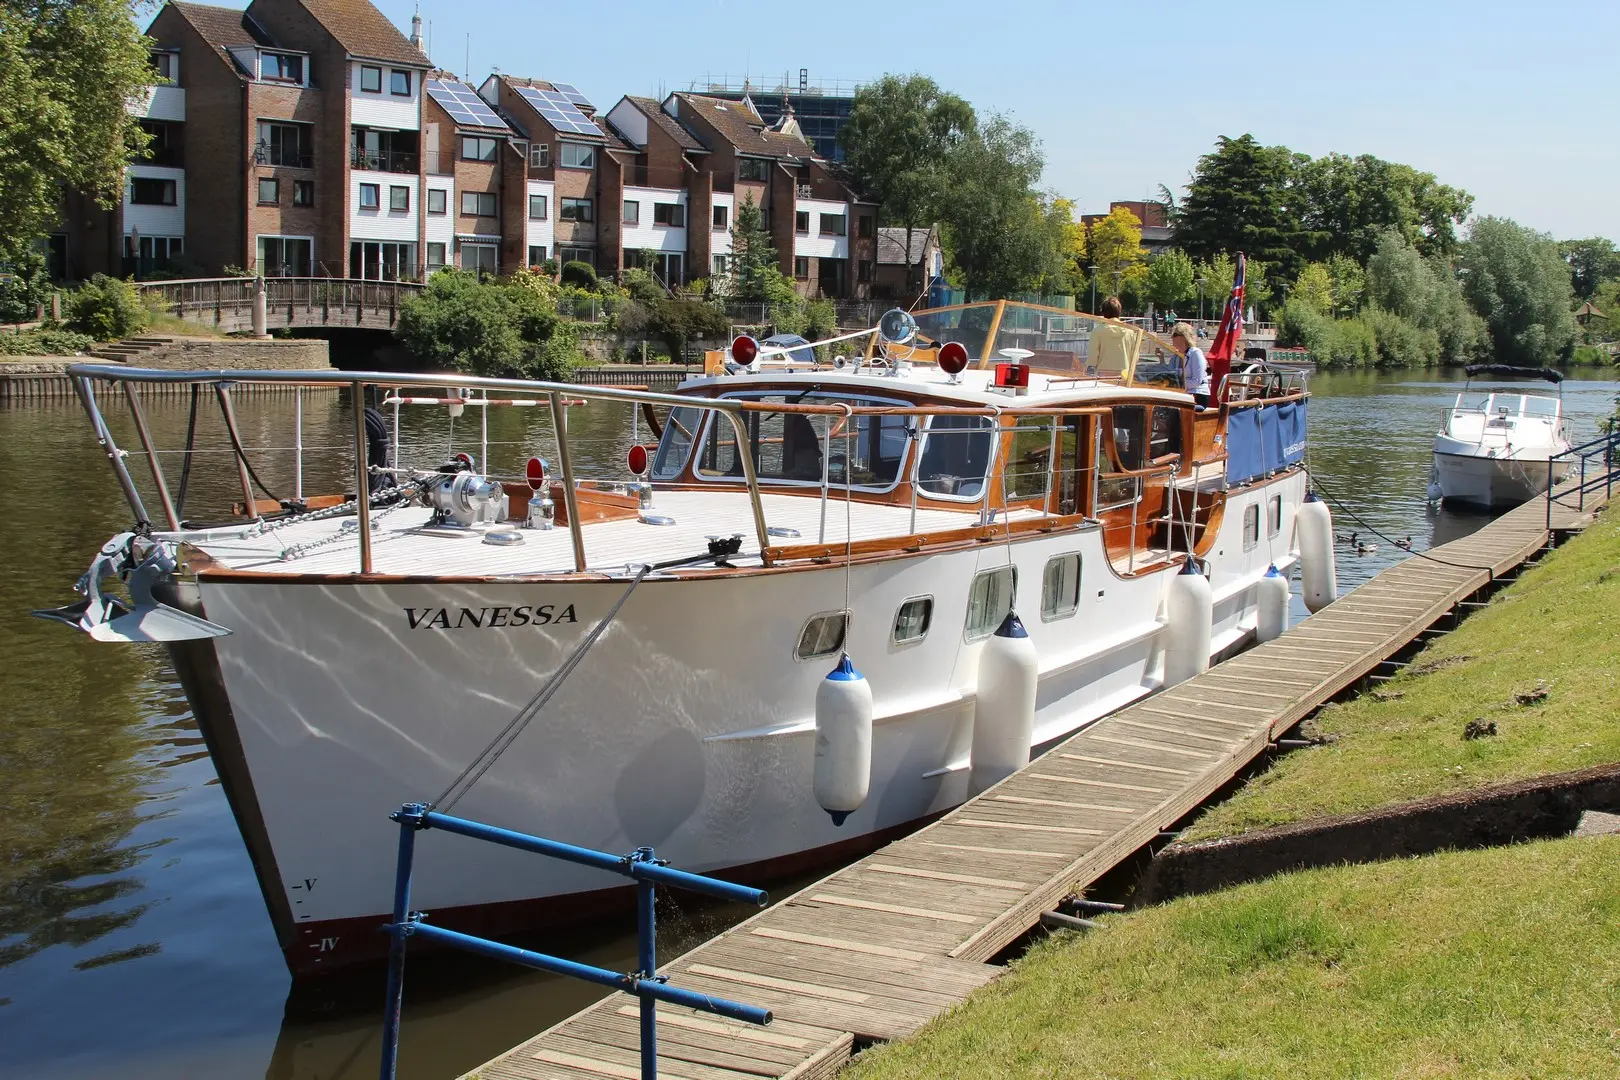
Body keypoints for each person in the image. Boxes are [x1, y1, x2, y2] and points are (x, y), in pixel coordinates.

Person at [1088, 297, 1142, 379]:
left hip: (1103, 375)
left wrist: (1088, 369)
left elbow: (1092, 356)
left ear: (1103, 313)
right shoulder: (1130, 332)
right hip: (1124, 374)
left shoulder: (1097, 331)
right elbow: (1135, 357)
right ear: (1119, 311)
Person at [1171, 322, 1209, 409]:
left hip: (1197, 394)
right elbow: (1169, 372)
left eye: (1175, 335)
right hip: (1181, 393)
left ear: (1183, 337)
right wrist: (1161, 358)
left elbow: (1196, 381)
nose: (1172, 337)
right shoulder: (1176, 356)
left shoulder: (1195, 353)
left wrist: (1177, 383)